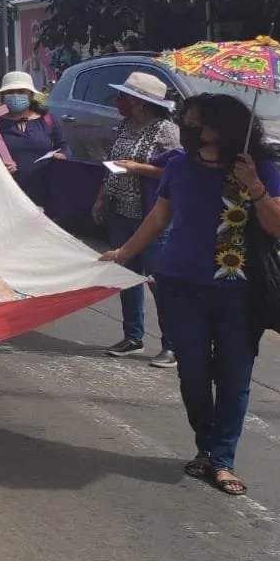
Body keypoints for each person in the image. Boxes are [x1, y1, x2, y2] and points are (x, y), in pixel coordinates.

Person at [101, 94, 280, 497]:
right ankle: (206, 447)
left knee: (233, 377)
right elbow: (159, 216)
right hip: (179, 285)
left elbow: (279, 227)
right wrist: (123, 254)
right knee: (192, 373)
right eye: (186, 122)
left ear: (224, 128)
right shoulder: (178, 166)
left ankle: (222, 459)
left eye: (197, 123)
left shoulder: (260, 169)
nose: (189, 130)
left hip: (239, 293)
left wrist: (255, 186)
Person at [91, 72, 181, 363]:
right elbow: (111, 165)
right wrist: (101, 197)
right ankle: (133, 336)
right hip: (121, 210)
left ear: (139, 103)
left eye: (123, 98)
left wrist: (139, 169)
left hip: (151, 216)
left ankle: (172, 343)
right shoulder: (125, 126)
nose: (118, 102)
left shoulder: (165, 131)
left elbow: (177, 172)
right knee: (125, 274)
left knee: (158, 280)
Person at [0, 70, 66, 198]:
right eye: (10, 92)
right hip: (6, 194)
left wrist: (62, 156)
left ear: (31, 95)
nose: (15, 96)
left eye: (21, 92)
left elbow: (64, 146)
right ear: (3, 96)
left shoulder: (48, 121)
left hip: (44, 192)